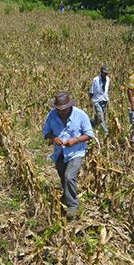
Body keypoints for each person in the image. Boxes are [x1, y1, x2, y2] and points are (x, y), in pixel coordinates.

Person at [43, 91, 94, 219]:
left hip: (76, 151)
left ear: (69, 106)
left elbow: (89, 134)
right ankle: (67, 195)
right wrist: (54, 137)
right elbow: (46, 132)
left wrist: (75, 140)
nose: (61, 112)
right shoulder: (52, 115)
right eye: (59, 109)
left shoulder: (81, 115)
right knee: (62, 175)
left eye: (63, 109)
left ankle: (73, 205)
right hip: (59, 152)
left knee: (69, 176)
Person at [89, 65, 111, 134]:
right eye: (104, 73)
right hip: (96, 101)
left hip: (104, 100)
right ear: (101, 72)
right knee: (101, 117)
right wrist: (90, 100)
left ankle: (92, 124)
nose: (105, 74)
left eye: (106, 73)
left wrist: (108, 99)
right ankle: (106, 132)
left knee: (99, 117)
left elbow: (107, 90)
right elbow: (91, 91)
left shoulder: (108, 79)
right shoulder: (96, 79)